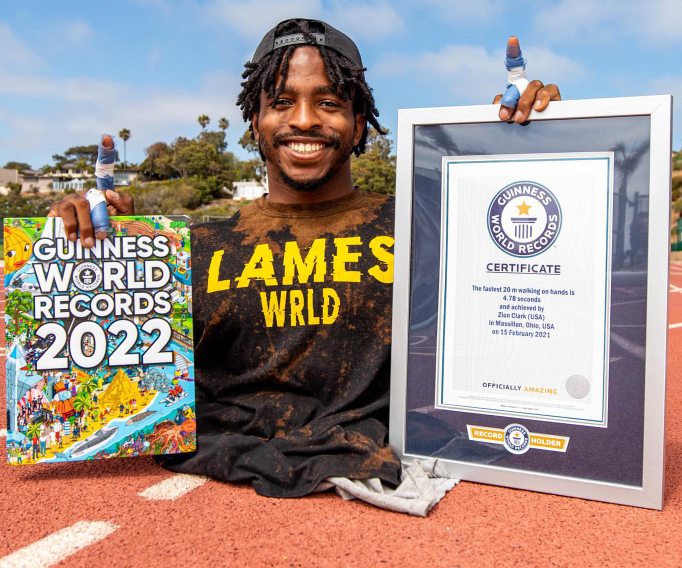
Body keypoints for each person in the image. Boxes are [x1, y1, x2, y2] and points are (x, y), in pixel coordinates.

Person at [47, 18, 559, 498]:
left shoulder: (422, 226)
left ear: (359, 125)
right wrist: (97, 258)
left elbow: (537, 261)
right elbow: (99, 388)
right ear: (256, 121)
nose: (305, 120)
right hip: (228, 516)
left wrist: (541, 139)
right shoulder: (196, 249)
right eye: (283, 102)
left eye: (329, 102)